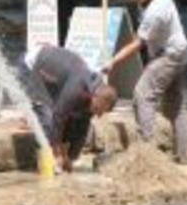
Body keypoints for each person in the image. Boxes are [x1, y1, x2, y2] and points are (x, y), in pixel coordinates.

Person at [99, 0, 187, 164]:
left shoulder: (157, 11)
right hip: (178, 49)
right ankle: (184, 155)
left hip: (169, 56)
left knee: (143, 95)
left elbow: (137, 44)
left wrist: (112, 62)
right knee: (174, 103)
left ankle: (146, 156)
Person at [19, 45, 118, 173]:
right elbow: (58, 116)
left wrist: (71, 158)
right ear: (96, 97)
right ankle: (48, 165)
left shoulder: (94, 94)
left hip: (54, 77)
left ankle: (59, 161)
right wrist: (57, 153)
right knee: (48, 119)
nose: (98, 115)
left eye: (101, 113)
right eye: (99, 110)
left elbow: (83, 126)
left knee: (76, 119)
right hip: (33, 64)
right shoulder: (78, 87)